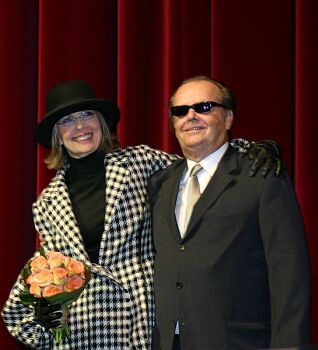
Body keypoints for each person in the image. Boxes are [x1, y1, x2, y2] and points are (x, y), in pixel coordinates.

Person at [2, 80, 282, 350]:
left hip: (143, 326)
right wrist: (43, 319)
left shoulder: (140, 162)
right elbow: (51, 274)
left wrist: (251, 149)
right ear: (57, 134)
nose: (79, 126)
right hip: (83, 332)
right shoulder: (47, 203)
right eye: (66, 120)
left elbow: (203, 164)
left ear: (101, 122)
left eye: (87, 115)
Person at [148, 76, 311, 350]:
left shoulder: (261, 175)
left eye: (204, 107)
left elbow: (289, 273)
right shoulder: (160, 184)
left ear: (228, 118)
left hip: (239, 341)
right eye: (180, 110)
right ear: (173, 125)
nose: (191, 116)